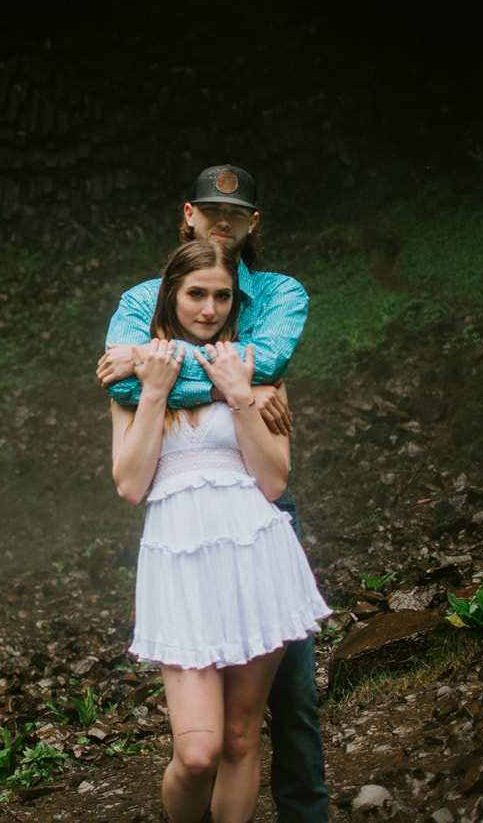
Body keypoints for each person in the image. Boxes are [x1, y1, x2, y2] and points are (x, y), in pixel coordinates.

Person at [96, 163, 328, 823]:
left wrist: (230, 383)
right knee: (199, 750)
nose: (209, 307)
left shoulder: (278, 296)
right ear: (187, 216)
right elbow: (120, 389)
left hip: (257, 528)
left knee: (276, 716)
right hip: (180, 545)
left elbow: (269, 364)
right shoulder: (145, 300)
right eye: (208, 211)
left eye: (221, 297)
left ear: (253, 224)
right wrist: (209, 378)